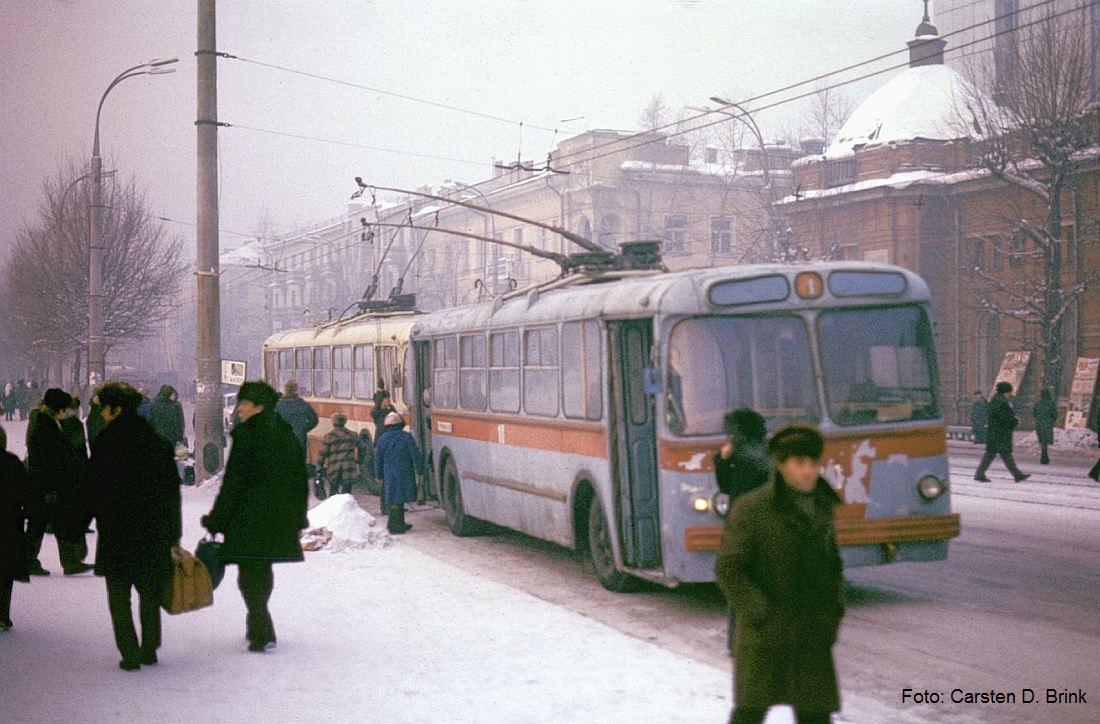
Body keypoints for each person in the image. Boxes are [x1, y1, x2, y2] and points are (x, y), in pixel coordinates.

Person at [715, 425, 844, 724]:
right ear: (781, 465)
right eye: (799, 463)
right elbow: (729, 567)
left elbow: (832, 567)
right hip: (765, 637)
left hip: (811, 637)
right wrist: (758, 611)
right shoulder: (753, 509)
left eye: (813, 463)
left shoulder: (822, 506)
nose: (808, 471)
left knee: (816, 716)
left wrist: (832, 614)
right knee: (750, 714)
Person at [202, 381, 308, 652]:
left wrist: (216, 519)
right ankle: (259, 625)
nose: (239, 409)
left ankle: (260, 628)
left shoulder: (247, 436)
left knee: (249, 573)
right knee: (262, 568)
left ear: (259, 406)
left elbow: (233, 484)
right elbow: (299, 481)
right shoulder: (285, 434)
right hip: (277, 518)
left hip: (247, 518)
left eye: (244, 403)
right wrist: (298, 518)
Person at [81, 382, 181, 670]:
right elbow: (171, 493)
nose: (102, 413)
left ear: (116, 409)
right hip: (153, 531)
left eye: (104, 408)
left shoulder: (104, 444)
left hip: (117, 532)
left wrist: (78, 522)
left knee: (118, 595)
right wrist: (173, 533)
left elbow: (93, 490)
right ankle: (149, 648)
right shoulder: (157, 443)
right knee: (149, 592)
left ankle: (129, 652)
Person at [713, 408, 772, 650]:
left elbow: (730, 489)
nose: (728, 438)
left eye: (731, 433)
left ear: (740, 433)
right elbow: (728, 486)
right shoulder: (761, 454)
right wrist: (724, 460)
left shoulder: (752, 458)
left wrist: (724, 459)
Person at [24, 388, 83, 576]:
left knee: (51, 523)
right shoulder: (44, 427)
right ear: (59, 409)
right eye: (64, 408)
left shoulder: (45, 422)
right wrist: (51, 488)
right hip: (46, 485)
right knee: (38, 524)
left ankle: (69, 562)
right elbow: (47, 460)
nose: (66, 412)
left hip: (46, 484)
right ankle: (30, 562)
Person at [56, 394, 93, 575]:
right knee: (74, 517)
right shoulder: (75, 425)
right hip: (74, 478)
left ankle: (71, 559)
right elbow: (79, 451)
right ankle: (73, 559)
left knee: (65, 519)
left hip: (61, 477)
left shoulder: (56, 423)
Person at [0, 425, 31, 631]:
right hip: (8, 524)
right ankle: (2, 615)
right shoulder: (12, 463)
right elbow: (25, 493)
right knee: (4, 574)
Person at [374, 411, 422, 534]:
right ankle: (395, 526)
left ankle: (398, 523)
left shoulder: (382, 439)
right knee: (400, 497)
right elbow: (415, 454)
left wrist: (378, 475)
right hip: (405, 471)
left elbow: (378, 459)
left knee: (393, 497)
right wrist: (420, 470)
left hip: (389, 472)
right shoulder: (406, 437)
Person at [974, 381, 1030, 482]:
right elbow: (1004, 418)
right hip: (999, 434)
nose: (1010, 394)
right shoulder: (1001, 402)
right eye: (1009, 392)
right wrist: (1015, 421)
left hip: (996, 433)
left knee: (997, 455)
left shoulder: (997, 400)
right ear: (1005, 391)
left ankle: (1017, 475)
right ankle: (1017, 475)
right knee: (1001, 455)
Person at [274, 379, 319, 462]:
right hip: (299, 439)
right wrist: (304, 428)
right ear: (296, 390)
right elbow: (314, 420)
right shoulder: (303, 405)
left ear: (285, 390)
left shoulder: (278, 406)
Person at [317, 413, 359, 497]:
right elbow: (363, 448)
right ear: (345, 422)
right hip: (348, 468)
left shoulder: (329, 436)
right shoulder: (353, 435)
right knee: (346, 494)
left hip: (334, 468)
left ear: (333, 422)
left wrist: (319, 467)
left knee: (333, 491)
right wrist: (359, 461)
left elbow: (323, 453)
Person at [1032, 387, 1057, 465]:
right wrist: (1051, 420)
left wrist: (1039, 419)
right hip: (1047, 425)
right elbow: (1055, 415)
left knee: (1043, 441)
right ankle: (1044, 457)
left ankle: (1044, 457)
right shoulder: (1051, 403)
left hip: (1039, 424)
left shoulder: (1038, 403)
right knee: (1045, 442)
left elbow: (1034, 414)